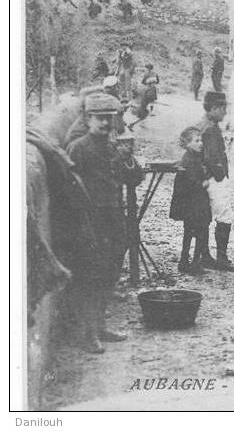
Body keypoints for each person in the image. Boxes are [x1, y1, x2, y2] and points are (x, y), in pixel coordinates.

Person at [66, 93, 143, 353]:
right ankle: (87, 334)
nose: (106, 124)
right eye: (100, 119)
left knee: (110, 273)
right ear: (88, 119)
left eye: (110, 119)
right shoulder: (78, 148)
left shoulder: (111, 146)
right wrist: (81, 225)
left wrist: (129, 158)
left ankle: (99, 326)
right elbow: (69, 190)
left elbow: (133, 179)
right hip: (89, 220)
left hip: (112, 218)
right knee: (91, 277)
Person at [195, 91, 234, 272]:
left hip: (207, 177)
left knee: (207, 216)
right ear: (214, 108)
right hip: (214, 178)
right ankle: (221, 258)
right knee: (224, 215)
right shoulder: (210, 129)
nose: (224, 113)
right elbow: (211, 157)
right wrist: (220, 173)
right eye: (223, 109)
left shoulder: (204, 124)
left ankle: (205, 255)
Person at [169, 126, 212, 275]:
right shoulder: (190, 160)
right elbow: (191, 181)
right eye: (197, 140)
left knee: (189, 232)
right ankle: (194, 263)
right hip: (195, 203)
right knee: (200, 232)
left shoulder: (193, 157)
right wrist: (203, 183)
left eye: (201, 140)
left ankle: (184, 261)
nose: (201, 143)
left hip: (192, 203)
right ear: (187, 144)